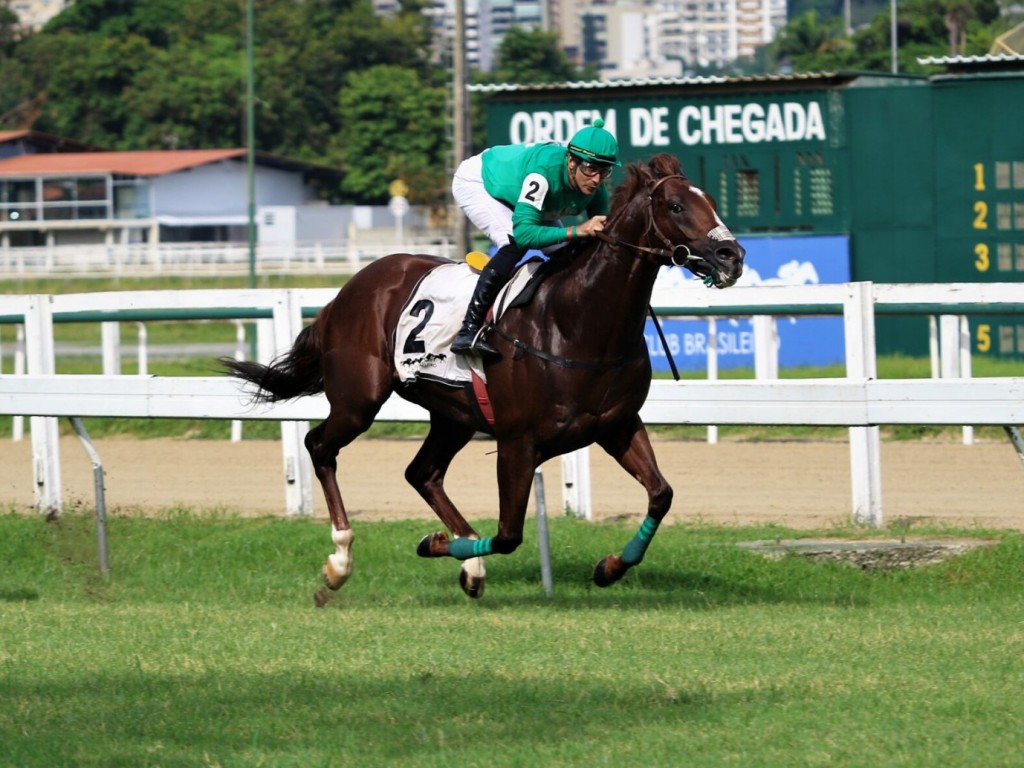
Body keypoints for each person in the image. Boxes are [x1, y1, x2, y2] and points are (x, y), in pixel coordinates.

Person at [449, 118, 621, 358]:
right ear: (572, 161)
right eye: (591, 169)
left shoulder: (597, 188)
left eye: (604, 171)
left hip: (528, 195)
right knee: (514, 243)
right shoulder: (543, 175)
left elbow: (602, 238)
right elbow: (525, 233)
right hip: (481, 182)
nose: (596, 179)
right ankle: (468, 330)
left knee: (566, 254)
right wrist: (576, 230)